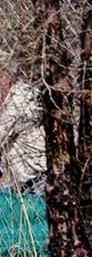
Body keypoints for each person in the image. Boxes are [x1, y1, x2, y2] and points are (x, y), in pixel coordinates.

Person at [0, 52, 44, 194]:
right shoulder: (11, 96)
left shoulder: (22, 97)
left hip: (34, 183)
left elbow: (2, 132)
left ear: (6, 76)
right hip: (21, 182)